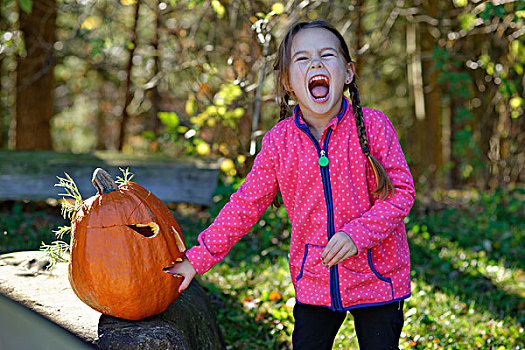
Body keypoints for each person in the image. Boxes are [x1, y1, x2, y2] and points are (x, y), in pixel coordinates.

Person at [166, 20, 416, 350]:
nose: (316, 64)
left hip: (379, 276)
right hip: (316, 278)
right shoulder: (279, 144)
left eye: (327, 55)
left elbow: (401, 194)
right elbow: (244, 206)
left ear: (349, 73)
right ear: (287, 82)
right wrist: (198, 258)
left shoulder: (373, 126)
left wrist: (357, 235)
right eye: (302, 59)